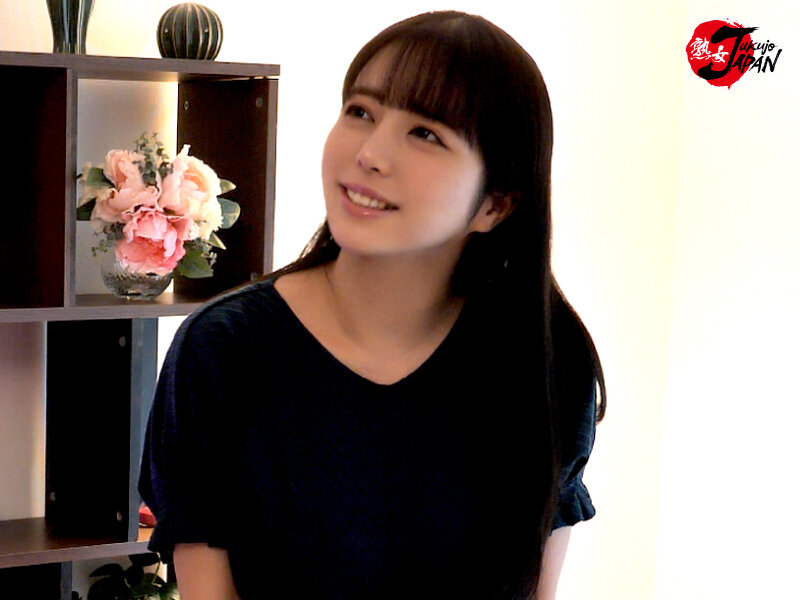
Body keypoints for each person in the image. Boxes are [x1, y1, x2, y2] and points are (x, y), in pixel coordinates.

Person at [139, 10, 605, 600]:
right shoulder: (226, 349)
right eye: (361, 112)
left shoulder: (546, 359)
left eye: (425, 133)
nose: (370, 153)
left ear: (495, 205)